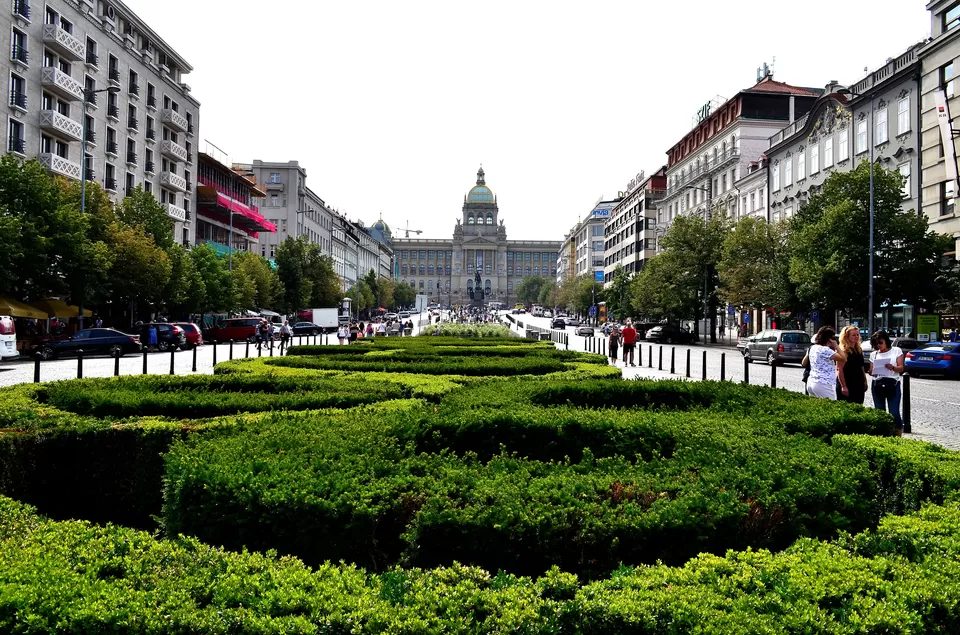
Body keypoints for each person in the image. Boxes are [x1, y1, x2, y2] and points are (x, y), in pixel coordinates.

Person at [869, 330, 905, 436]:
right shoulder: (874, 354)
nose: (879, 345)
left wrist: (892, 367)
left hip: (892, 383)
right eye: (876, 344)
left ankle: (898, 434)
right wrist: (873, 370)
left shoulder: (896, 351)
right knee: (879, 411)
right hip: (878, 383)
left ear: (886, 341)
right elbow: (871, 371)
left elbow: (901, 368)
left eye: (880, 342)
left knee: (894, 412)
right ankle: (883, 435)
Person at [801, 326, 846, 399]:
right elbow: (844, 358)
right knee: (830, 407)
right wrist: (836, 346)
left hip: (812, 381)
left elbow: (803, 363)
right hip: (824, 384)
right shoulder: (825, 350)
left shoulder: (813, 347)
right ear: (829, 339)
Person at [836, 325, 867, 405]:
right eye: (853, 335)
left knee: (859, 406)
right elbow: (839, 369)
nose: (856, 337)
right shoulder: (843, 351)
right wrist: (844, 386)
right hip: (847, 382)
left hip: (858, 382)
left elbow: (861, 367)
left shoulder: (858, 349)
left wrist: (865, 381)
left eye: (857, 334)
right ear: (846, 337)